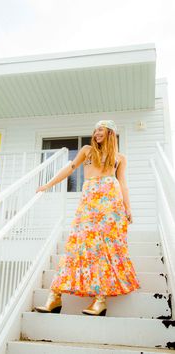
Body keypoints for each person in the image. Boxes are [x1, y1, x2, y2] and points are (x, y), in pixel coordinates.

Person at [34, 120, 141, 316]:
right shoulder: (87, 150)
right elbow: (70, 169)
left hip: (111, 208)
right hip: (89, 205)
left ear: (110, 132)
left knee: (105, 249)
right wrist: (47, 185)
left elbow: (123, 183)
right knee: (77, 245)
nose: (96, 133)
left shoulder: (120, 158)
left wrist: (128, 208)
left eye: (100, 129)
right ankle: (55, 297)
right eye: (95, 130)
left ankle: (100, 300)